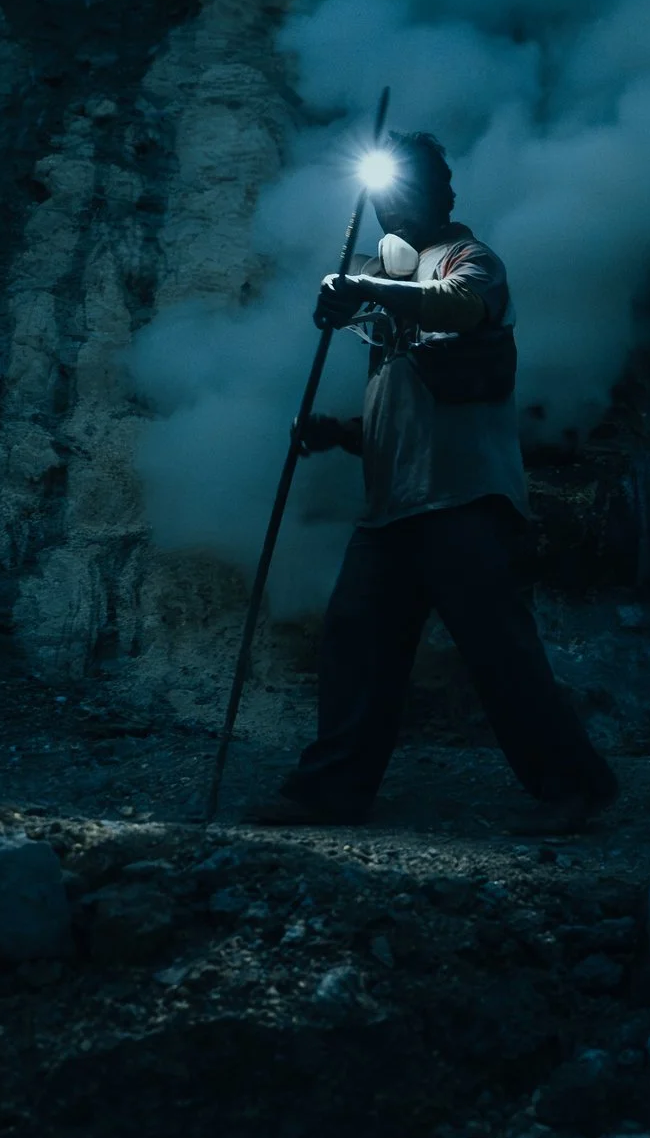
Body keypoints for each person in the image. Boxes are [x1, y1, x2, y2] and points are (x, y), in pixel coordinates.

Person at [249, 132, 620, 834]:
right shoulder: (393, 288)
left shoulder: (471, 264)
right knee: (356, 643)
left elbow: (456, 306)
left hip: (463, 502)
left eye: (408, 191)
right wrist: (339, 432)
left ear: (443, 195)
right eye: (383, 196)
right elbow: (411, 415)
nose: (394, 207)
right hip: (396, 507)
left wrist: (361, 287)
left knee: (497, 651)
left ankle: (577, 786)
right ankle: (332, 791)